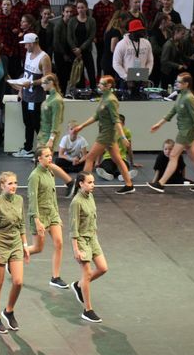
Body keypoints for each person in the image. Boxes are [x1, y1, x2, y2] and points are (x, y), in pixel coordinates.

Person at [73, 75, 135, 194]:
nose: (99, 85)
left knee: (90, 158)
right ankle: (129, 185)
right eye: (100, 83)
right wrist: (81, 126)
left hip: (107, 134)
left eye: (101, 83)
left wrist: (123, 137)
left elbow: (116, 120)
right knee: (118, 159)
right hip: (105, 133)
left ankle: (83, 187)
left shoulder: (111, 100)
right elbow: (96, 116)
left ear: (109, 85)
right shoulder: (104, 97)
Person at [148, 72, 194, 192]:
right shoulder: (180, 95)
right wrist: (159, 124)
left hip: (186, 132)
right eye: (177, 81)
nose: (176, 84)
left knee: (173, 155)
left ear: (186, 84)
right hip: (184, 130)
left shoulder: (190, 98)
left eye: (179, 82)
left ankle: (161, 183)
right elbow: (173, 111)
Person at [0, 171, 29, 334]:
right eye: (10, 183)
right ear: (2, 185)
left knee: (18, 281)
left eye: (15, 183)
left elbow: (22, 224)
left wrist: (25, 244)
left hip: (16, 243)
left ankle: (9, 310)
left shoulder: (19, 200)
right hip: (0, 245)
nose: (14, 186)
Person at [26, 147, 68, 290]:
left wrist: (57, 215)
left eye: (51, 155)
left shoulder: (50, 172)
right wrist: (37, 221)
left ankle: (55, 277)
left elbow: (53, 196)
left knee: (59, 243)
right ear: (39, 159)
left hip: (52, 214)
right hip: (40, 215)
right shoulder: (34, 176)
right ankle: (14, 256)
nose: (50, 158)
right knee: (38, 248)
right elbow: (32, 200)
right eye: (47, 156)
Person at [69, 172, 107, 323]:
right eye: (90, 182)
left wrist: (95, 233)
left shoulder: (90, 196)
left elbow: (93, 217)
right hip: (81, 240)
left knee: (103, 268)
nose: (93, 185)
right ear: (81, 183)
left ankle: (78, 286)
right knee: (86, 274)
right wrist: (76, 249)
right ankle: (88, 310)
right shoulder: (76, 202)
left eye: (93, 182)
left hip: (92, 238)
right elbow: (73, 228)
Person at [9, 33, 51, 159]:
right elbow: (26, 73)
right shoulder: (28, 54)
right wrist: (21, 90)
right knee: (27, 122)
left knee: (37, 124)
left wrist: (32, 83)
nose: (25, 47)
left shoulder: (44, 58)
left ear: (32, 44)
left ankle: (44, 151)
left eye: (26, 44)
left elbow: (47, 78)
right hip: (26, 95)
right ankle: (27, 148)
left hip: (36, 98)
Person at [112, 19, 153, 94]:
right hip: (126, 79)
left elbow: (150, 61)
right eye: (140, 31)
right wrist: (126, 77)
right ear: (132, 32)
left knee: (143, 99)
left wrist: (146, 75)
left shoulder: (146, 43)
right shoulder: (121, 44)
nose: (142, 33)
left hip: (142, 77)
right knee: (126, 100)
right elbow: (116, 63)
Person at [67, 0, 96, 89]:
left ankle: (93, 89)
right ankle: (81, 91)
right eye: (78, 8)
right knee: (79, 72)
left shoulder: (91, 21)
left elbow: (91, 37)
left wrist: (81, 48)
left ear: (86, 8)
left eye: (82, 7)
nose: (80, 10)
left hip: (86, 49)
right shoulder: (72, 21)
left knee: (91, 71)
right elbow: (69, 37)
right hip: (75, 51)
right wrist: (75, 49)